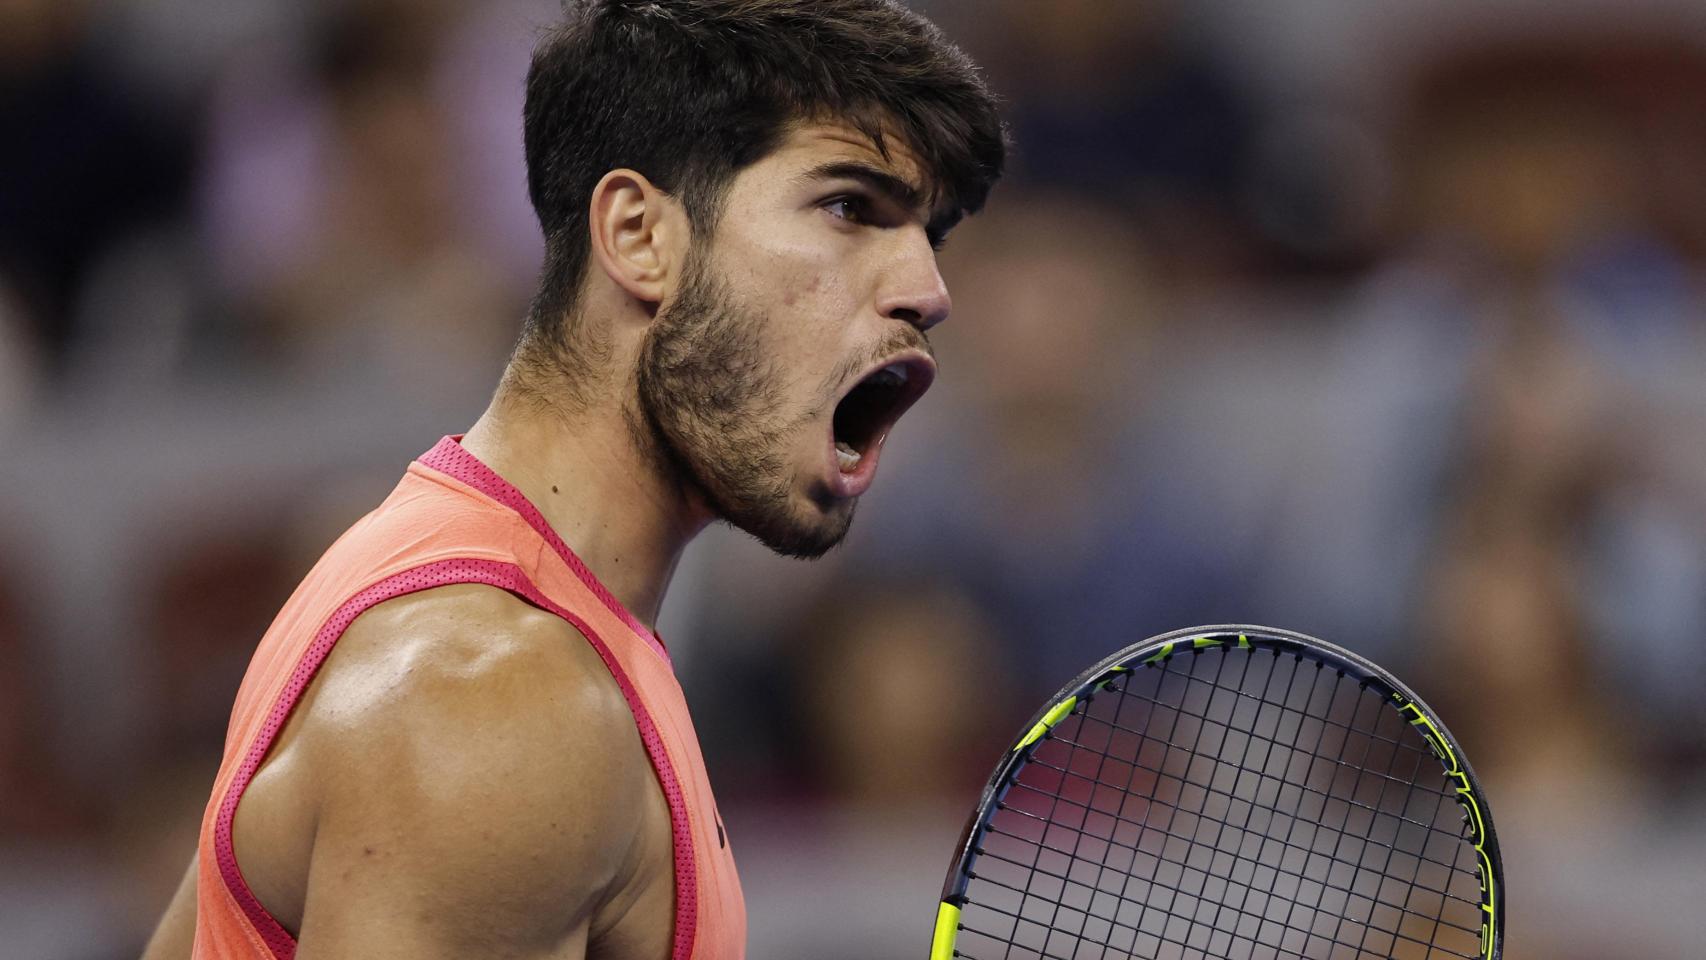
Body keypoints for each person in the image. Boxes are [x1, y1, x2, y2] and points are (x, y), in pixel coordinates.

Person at [138, 1, 1005, 957]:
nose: (928, 290)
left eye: (932, 232)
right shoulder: (496, 697)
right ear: (639, 234)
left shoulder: (448, 595)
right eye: (850, 206)